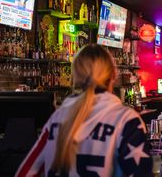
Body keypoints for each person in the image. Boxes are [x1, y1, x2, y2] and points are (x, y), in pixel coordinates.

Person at [16, 44, 152, 177]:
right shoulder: (126, 120)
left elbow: (25, 172)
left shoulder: (57, 118)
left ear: (75, 77)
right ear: (113, 75)